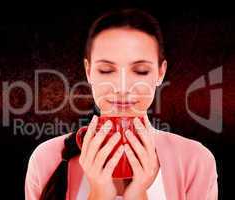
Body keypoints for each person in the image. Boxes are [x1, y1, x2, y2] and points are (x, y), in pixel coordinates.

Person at [25, 8, 218, 200]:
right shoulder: (47, 159)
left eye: (141, 70)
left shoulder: (196, 161)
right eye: (107, 70)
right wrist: (99, 194)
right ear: (88, 71)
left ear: (161, 73)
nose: (122, 87)